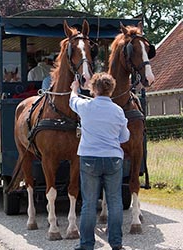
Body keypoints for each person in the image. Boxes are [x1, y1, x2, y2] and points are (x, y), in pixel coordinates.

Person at [69, 73, 130, 250]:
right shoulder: (118, 111)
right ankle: (116, 243)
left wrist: (74, 89)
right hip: (113, 159)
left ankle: (87, 244)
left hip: (89, 159)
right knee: (115, 202)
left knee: (88, 203)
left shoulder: (85, 106)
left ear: (93, 89)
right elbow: (124, 137)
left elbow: (72, 101)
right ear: (111, 89)